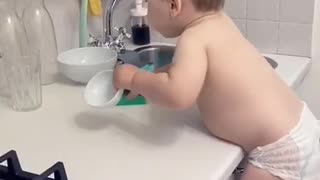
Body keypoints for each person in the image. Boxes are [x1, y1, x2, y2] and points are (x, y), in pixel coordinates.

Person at [113, 0, 320, 179]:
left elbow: (178, 94)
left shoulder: (193, 38)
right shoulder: (220, 22)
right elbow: (185, 71)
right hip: (300, 126)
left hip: (279, 152)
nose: (147, 10)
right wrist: (154, 81)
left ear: (173, 5)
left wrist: (134, 79)